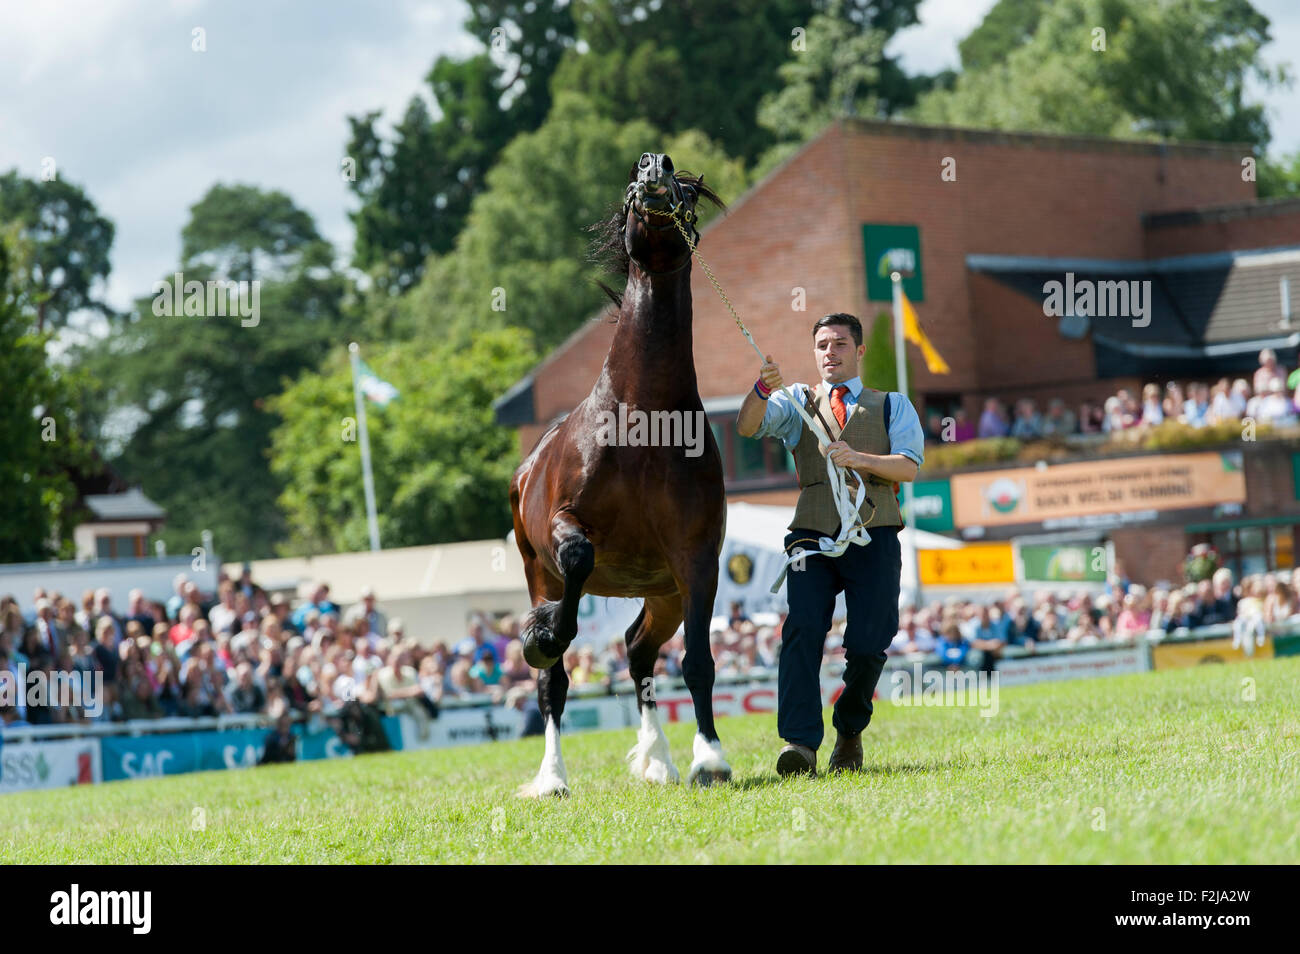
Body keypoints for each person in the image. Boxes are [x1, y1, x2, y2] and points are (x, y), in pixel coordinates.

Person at [736, 312, 924, 776]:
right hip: (811, 532)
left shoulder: (892, 405)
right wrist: (762, 388)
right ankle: (800, 745)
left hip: (874, 527)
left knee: (868, 642)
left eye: (839, 344)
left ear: (858, 352)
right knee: (801, 629)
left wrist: (857, 458)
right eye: (822, 345)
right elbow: (746, 426)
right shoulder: (797, 401)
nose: (829, 353)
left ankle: (850, 730)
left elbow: (908, 467)